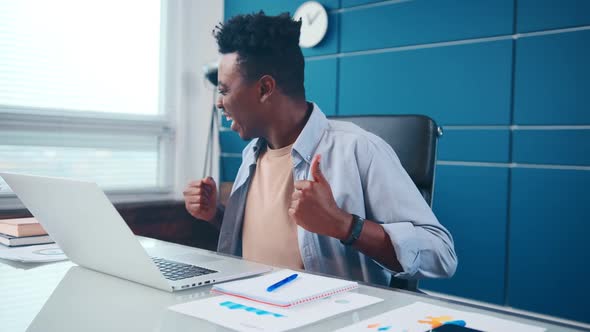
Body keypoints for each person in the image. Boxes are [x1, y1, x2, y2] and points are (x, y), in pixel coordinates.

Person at [183, 11, 457, 287]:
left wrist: (345, 226)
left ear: (265, 88)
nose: (219, 103)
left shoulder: (359, 149)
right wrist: (215, 214)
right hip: (252, 310)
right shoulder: (252, 154)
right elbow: (267, 244)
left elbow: (442, 255)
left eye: (224, 90)